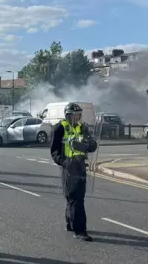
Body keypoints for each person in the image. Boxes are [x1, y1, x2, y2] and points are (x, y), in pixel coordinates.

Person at [50, 102, 97, 242]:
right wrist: (63, 162)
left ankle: (70, 222)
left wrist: (89, 145)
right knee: (75, 198)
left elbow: (92, 144)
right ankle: (80, 230)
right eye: (74, 115)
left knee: (75, 197)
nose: (77, 118)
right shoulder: (60, 128)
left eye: (78, 115)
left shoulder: (83, 128)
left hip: (81, 166)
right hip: (69, 168)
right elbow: (54, 151)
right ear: (67, 115)